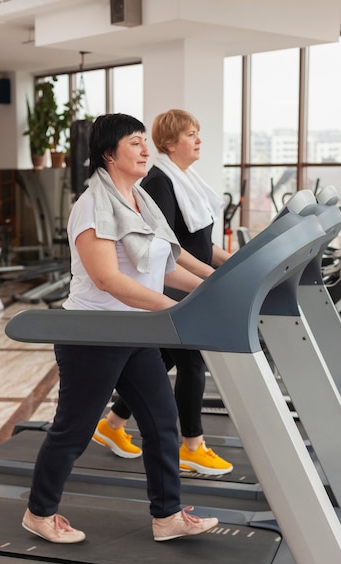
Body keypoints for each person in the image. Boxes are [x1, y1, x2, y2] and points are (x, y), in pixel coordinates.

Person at [21, 113, 219, 544]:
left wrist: (216, 286)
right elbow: (109, 280)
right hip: (93, 335)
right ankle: (39, 513)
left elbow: (167, 265)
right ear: (109, 153)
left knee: (163, 422)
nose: (146, 149)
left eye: (146, 142)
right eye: (135, 143)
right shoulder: (92, 204)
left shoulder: (140, 201)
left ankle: (167, 517)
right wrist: (176, 312)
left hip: (135, 333)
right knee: (73, 430)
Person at [93, 109, 233, 475]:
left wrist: (229, 265)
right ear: (170, 142)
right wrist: (205, 282)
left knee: (167, 359)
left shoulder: (188, 183)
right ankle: (192, 446)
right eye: (191, 134)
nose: (198, 140)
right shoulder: (159, 183)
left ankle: (111, 423)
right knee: (190, 362)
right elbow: (167, 251)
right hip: (173, 287)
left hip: (188, 284)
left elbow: (198, 244)